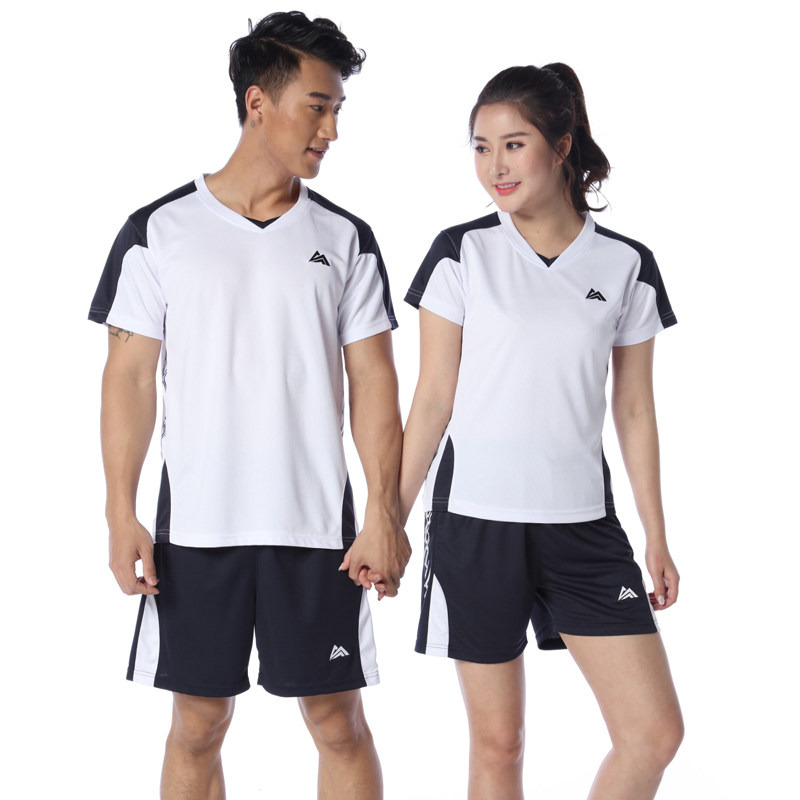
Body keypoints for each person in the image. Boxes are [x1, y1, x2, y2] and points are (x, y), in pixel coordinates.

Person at [88, 11, 410, 799]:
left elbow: (374, 382)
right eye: (318, 107)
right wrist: (120, 510)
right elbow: (129, 379)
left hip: (316, 527)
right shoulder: (158, 231)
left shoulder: (347, 239)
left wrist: (383, 512)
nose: (332, 130)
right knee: (197, 725)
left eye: (338, 110)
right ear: (257, 102)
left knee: (337, 722)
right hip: (198, 529)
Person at [399, 63, 684, 799]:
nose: (494, 166)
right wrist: (386, 521)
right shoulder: (461, 252)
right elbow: (431, 400)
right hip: (477, 523)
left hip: (583, 530)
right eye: (480, 147)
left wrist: (655, 535)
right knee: (500, 744)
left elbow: (634, 409)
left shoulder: (626, 265)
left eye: (513, 144)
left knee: (653, 735)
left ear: (561, 146)